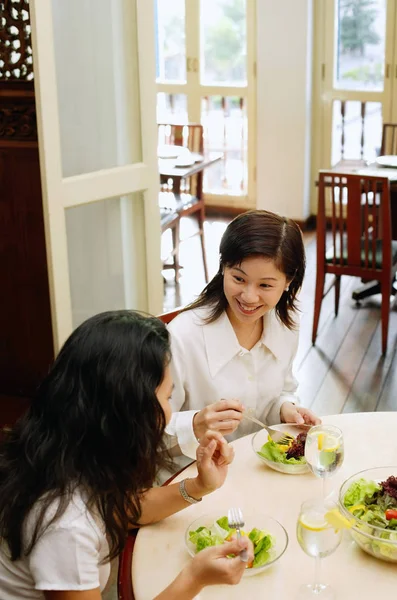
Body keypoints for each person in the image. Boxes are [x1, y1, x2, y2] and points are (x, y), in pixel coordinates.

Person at [0, 311, 253, 600]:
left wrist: (199, 486)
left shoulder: (68, 447)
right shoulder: (65, 525)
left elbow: (120, 510)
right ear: (129, 408)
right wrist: (194, 579)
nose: (170, 412)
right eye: (167, 397)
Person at [165, 210, 321, 470]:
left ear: (288, 282)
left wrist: (286, 409)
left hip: (256, 468)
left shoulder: (285, 326)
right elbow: (148, 432)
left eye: (265, 286)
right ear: (223, 267)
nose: (249, 297)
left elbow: (282, 390)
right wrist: (195, 424)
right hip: (191, 477)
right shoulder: (182, 337)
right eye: (238, 278)